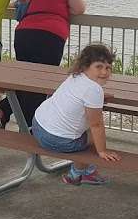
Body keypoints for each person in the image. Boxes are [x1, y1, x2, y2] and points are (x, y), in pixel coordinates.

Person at [0, 0, 86, 127]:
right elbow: (79, 8)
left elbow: (26, 0)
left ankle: (6, 109)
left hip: (24, 33)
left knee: (26, 78)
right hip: (50, 36)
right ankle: (31, 126)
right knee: (42, 81)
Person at [32, 43, 120, 186]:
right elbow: (96, 125)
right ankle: (79, 173)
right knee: (93, 138)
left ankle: (86, 170)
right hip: (56, 140)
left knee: (85, 127)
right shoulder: (93, 90)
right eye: (99, 67)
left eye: (108, 68)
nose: (104, 72)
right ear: (86, 66)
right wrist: (102, 151)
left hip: (37, 126)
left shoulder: (75, 77)